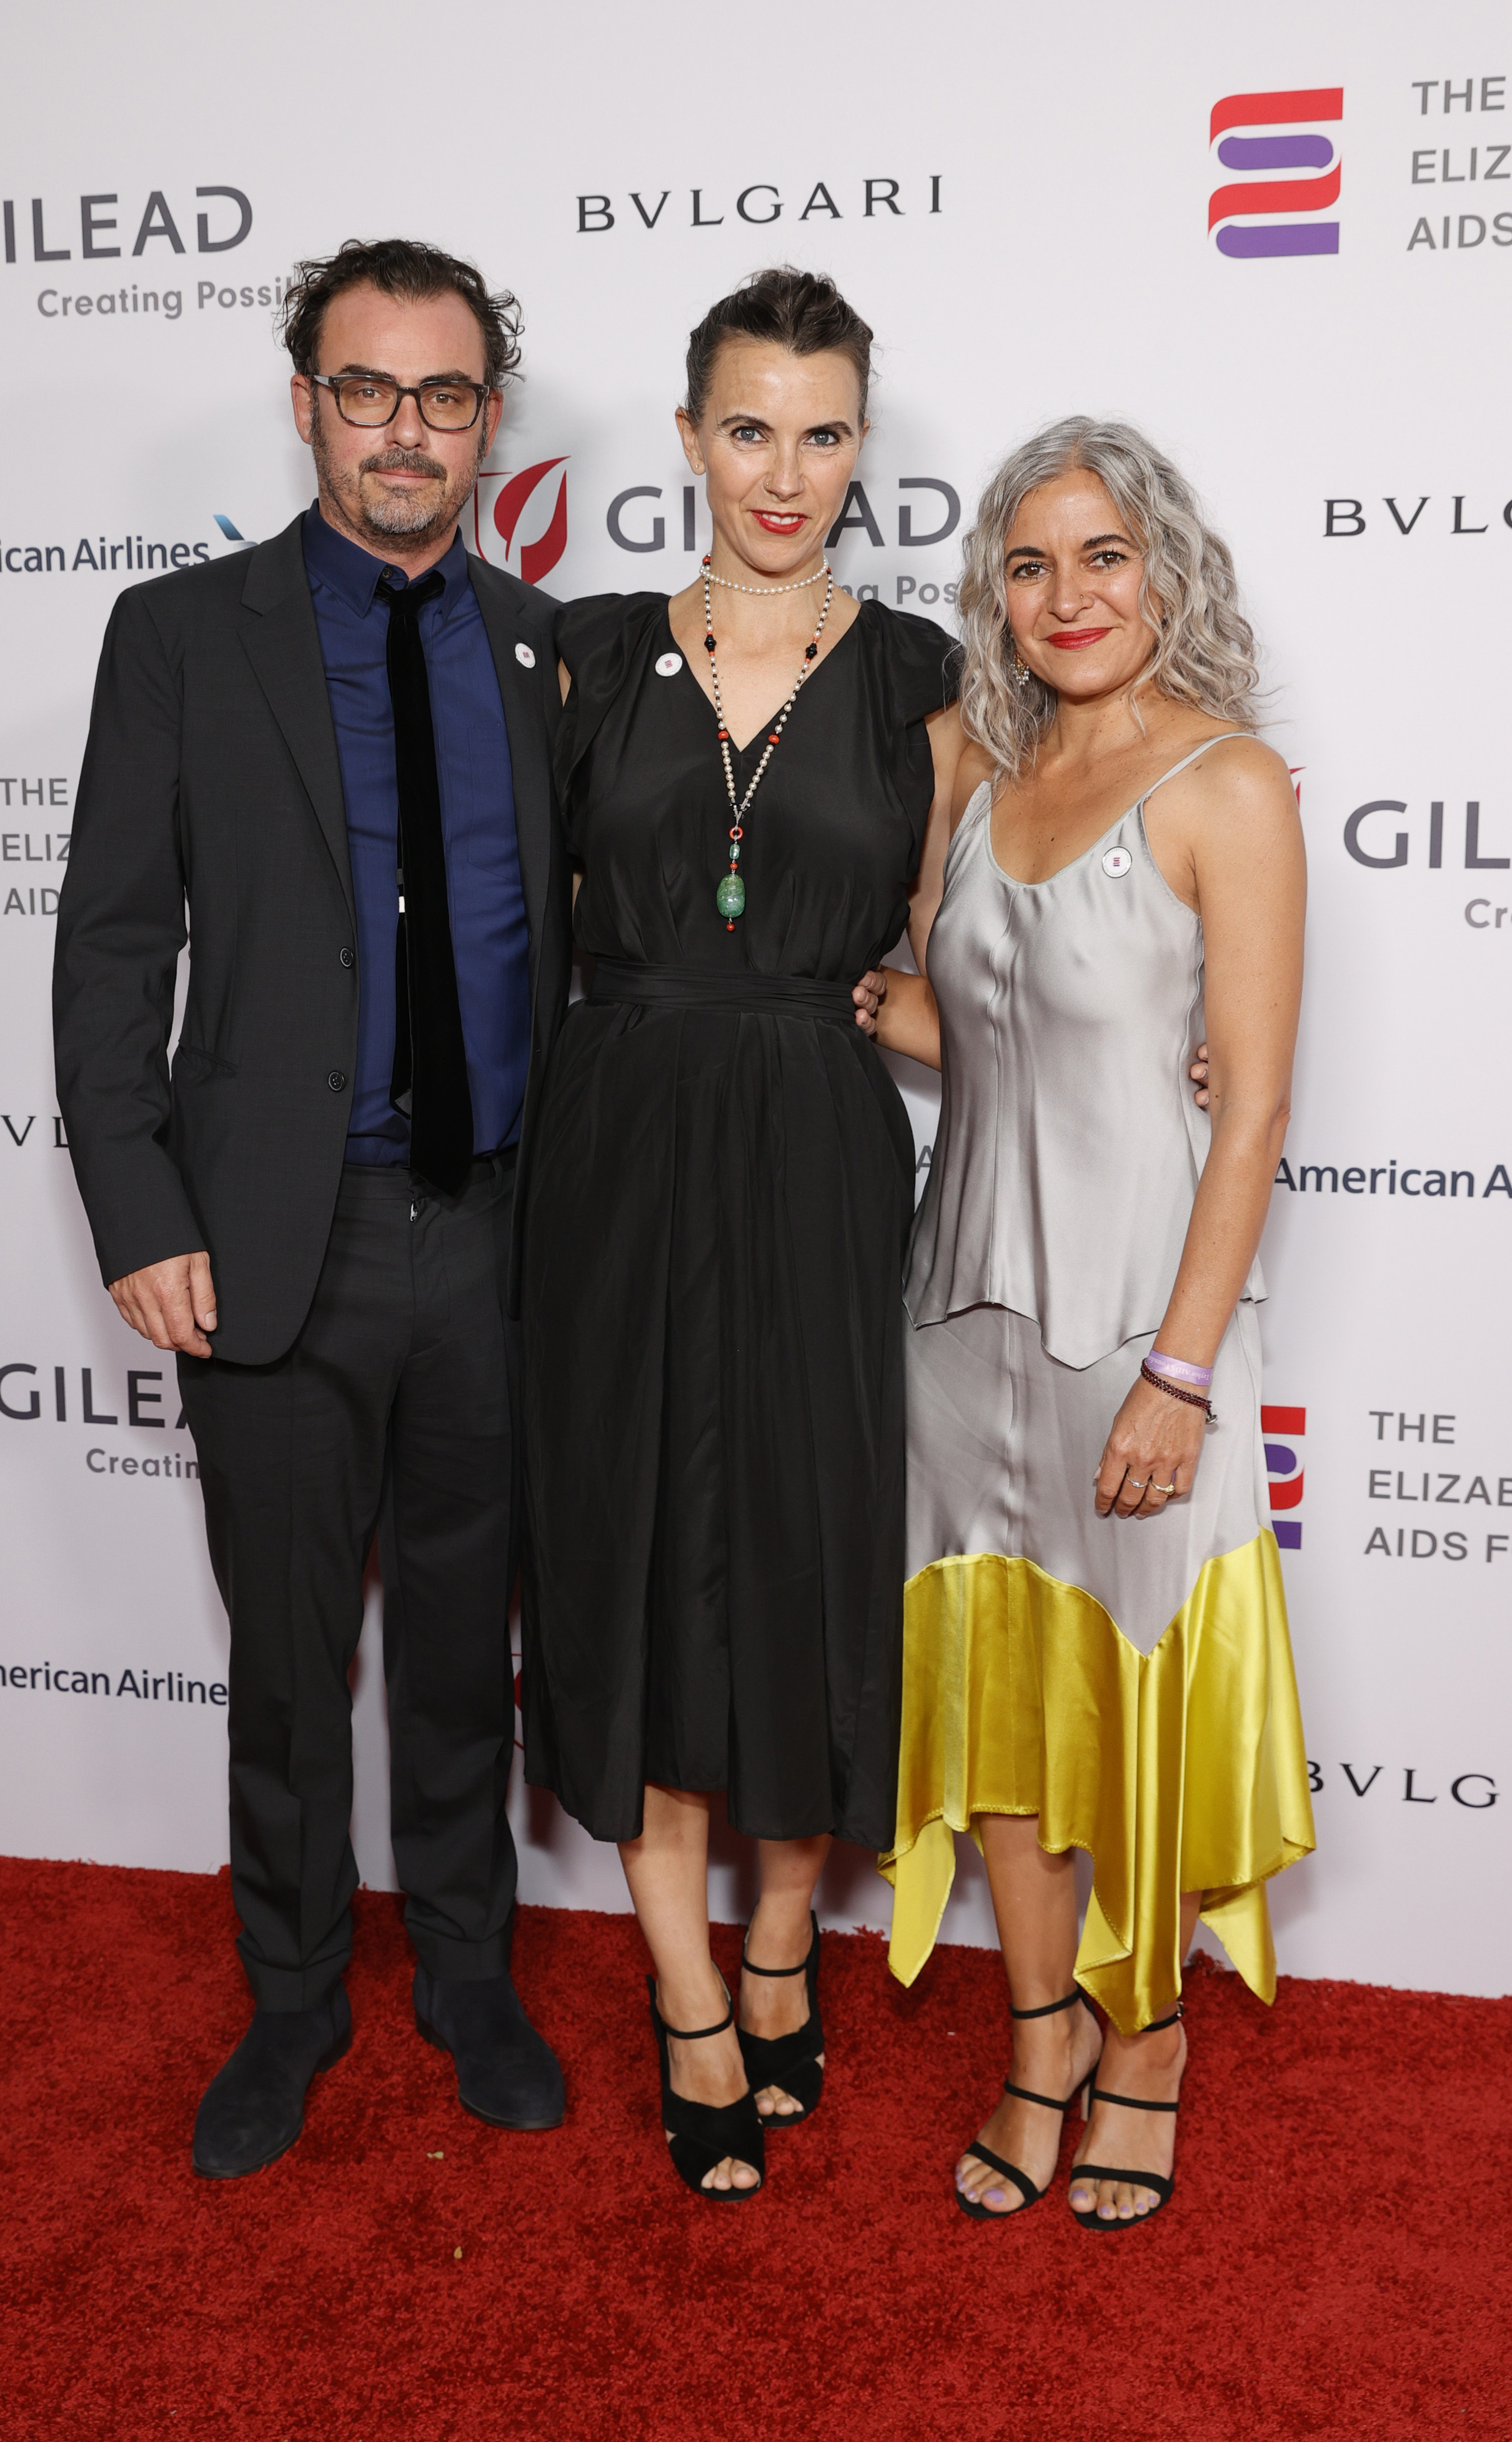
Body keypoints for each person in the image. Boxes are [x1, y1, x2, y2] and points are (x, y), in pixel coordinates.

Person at [53, 238, 574, 2179]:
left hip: (504, 1237)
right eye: (367, 390)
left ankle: (466, 1973)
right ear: (306, 404)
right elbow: (111, 948)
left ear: (488, 420)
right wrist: (137, 1204)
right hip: (279, 1243)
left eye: (444, 396)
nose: (405, 432)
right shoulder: (183, 636)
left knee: (463, 1644)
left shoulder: (550, 645)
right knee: (287, 1668)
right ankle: (290, 1999)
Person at [517, 269, 962, 2198]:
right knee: (627, 1547)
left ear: (862, 446)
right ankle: (687, 1988)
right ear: (690, 439)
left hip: (816, 1147)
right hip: (612, 1151)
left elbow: (961, 972)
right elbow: (504, 936)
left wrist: (1156, 1045)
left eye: (826, 430)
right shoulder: (585, 659)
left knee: (801, 1545)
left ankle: (786, 1935)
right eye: (752, 427)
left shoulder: (925, 679)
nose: (788, 471)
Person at [868, 417, 1316, 2229]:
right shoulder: (968, 765)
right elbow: (945, 1024)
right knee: (993, 1716)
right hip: (953, 1320)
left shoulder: (1232, 786)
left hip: (1141, 1337)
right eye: (1032, 563)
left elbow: (1261, 1108)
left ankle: (1148, 2048)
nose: (1069, 595)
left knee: (1143, 1715)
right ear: (997, 589)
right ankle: (1041, 2030)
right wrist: (773, 999)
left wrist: (1183, 1375)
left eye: (1104, 555)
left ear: (1165, 567)